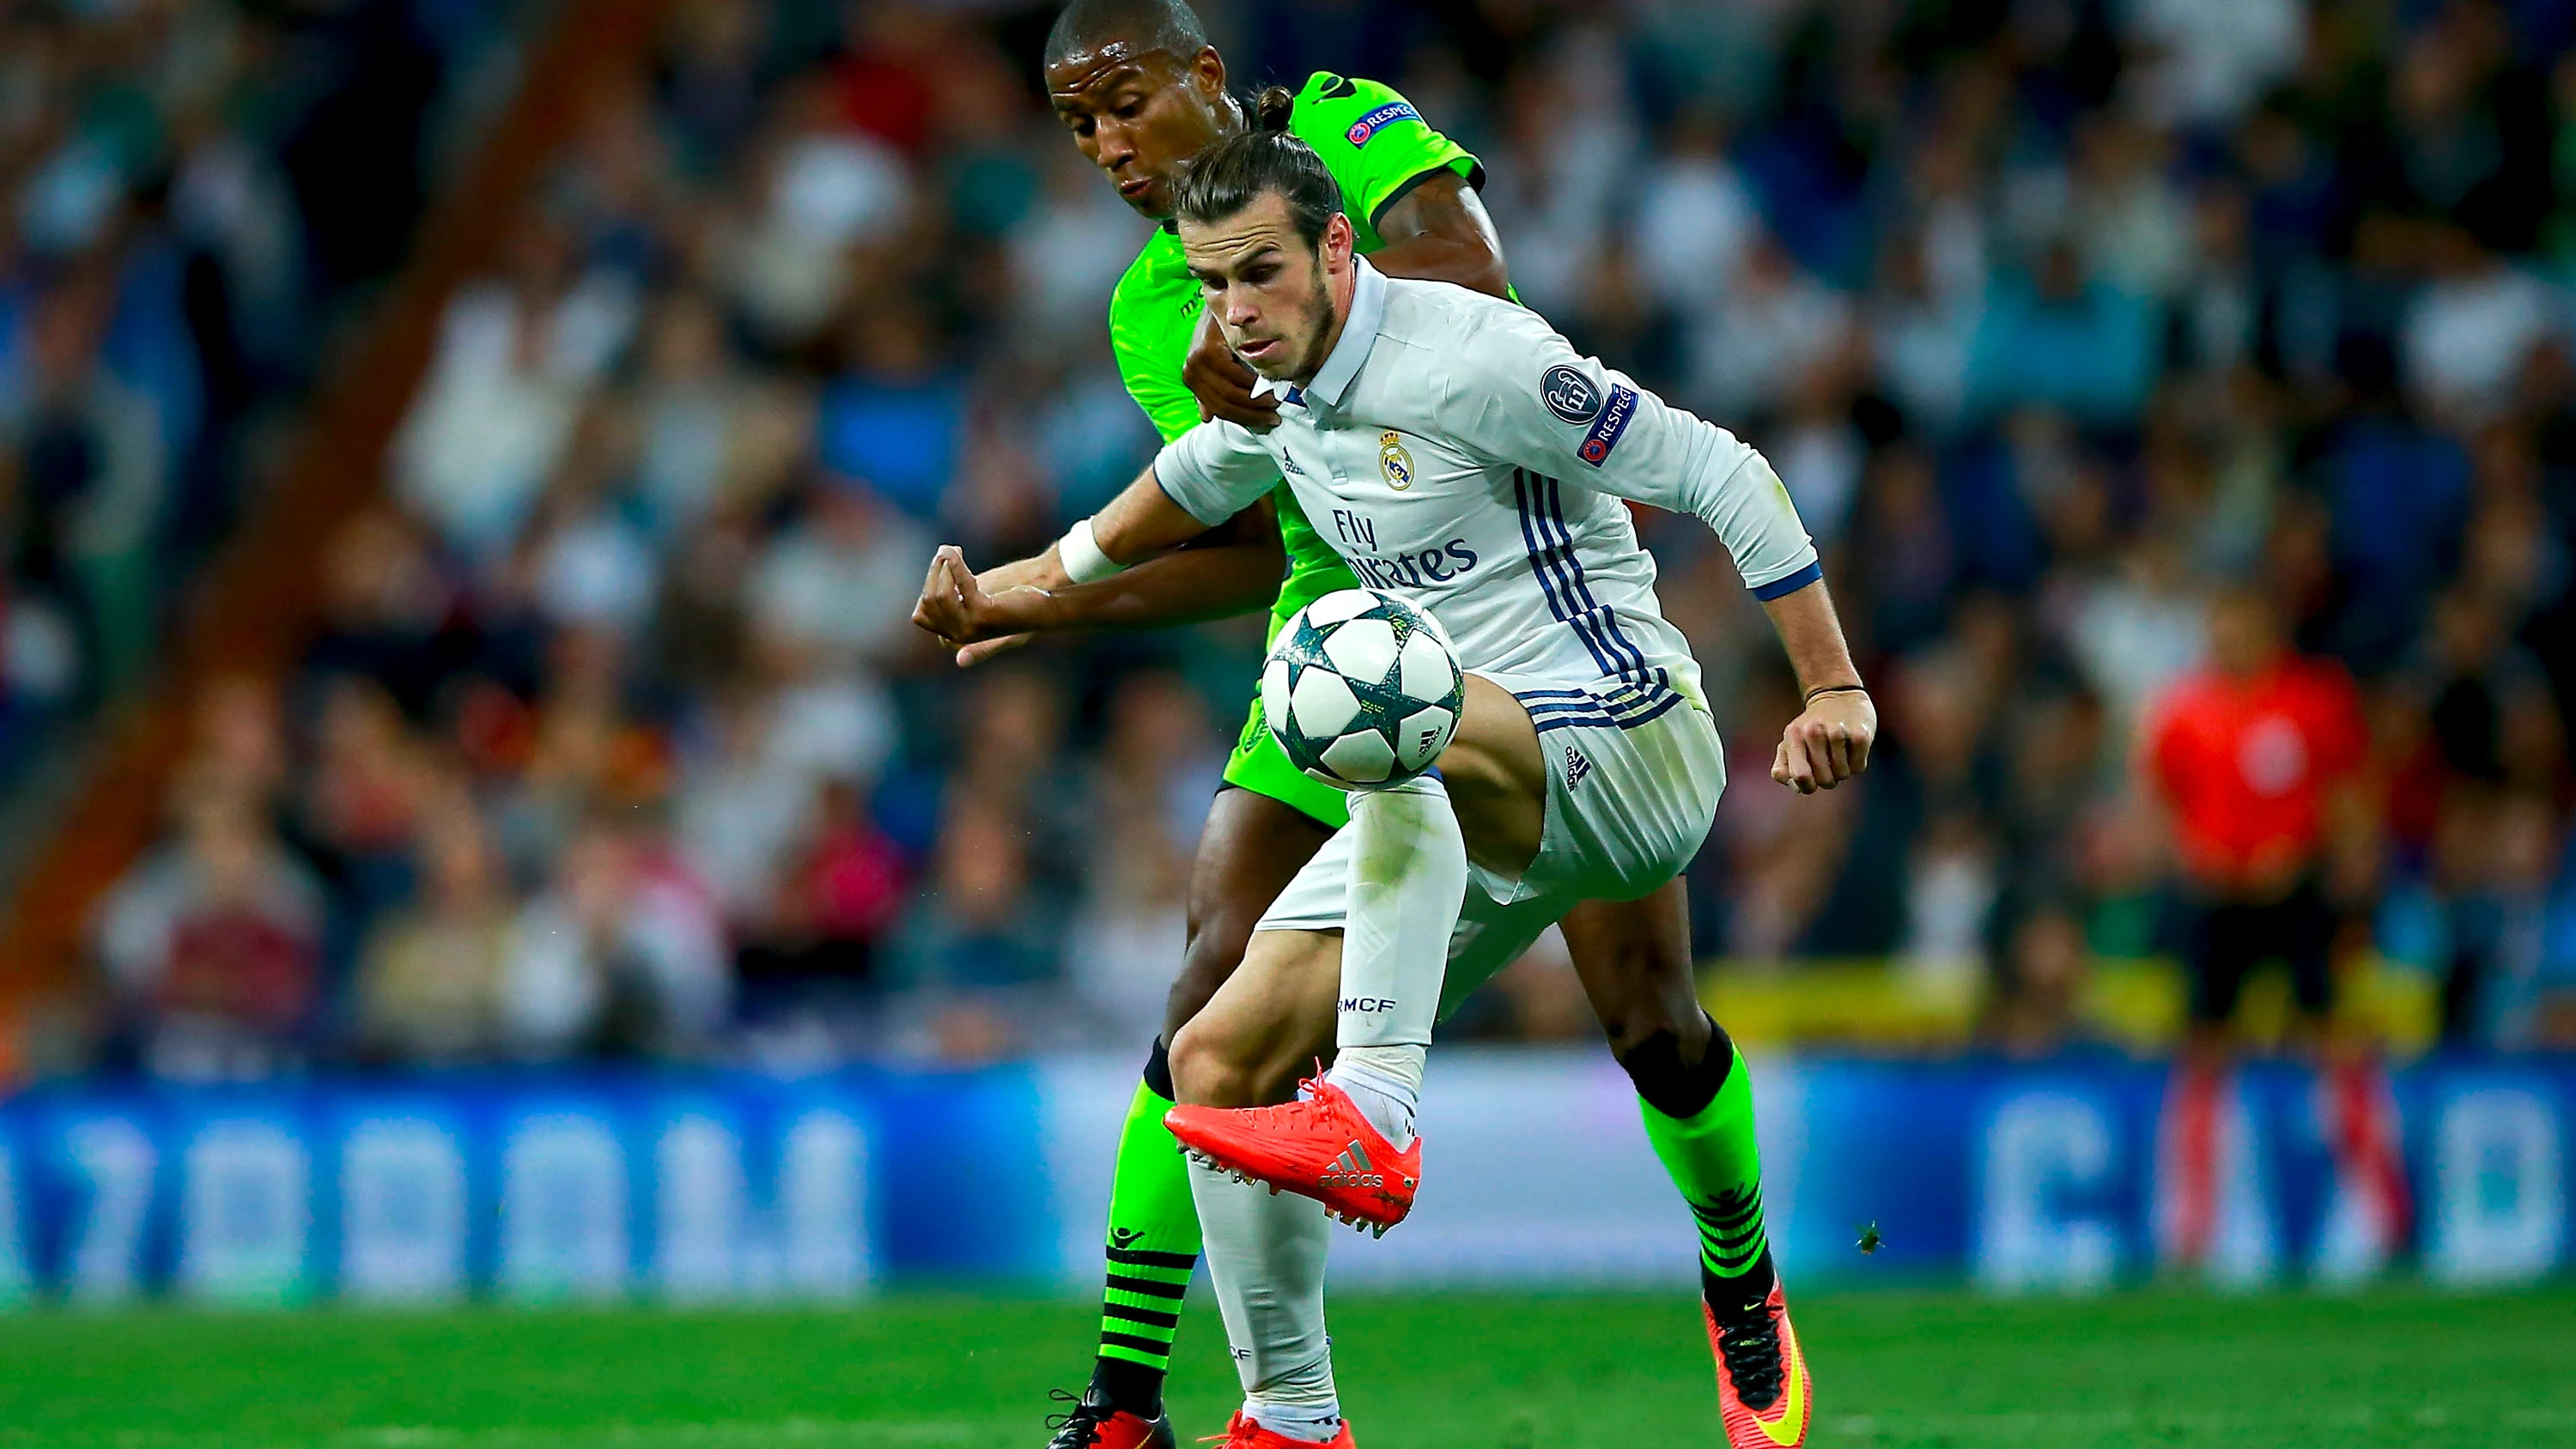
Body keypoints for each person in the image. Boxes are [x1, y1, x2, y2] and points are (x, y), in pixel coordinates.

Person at [919, 129, 1872, 1449]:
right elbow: (1175, 493)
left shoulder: (1473, 356)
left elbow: (1720, 468)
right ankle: (1294, 1418)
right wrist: (1003, 596)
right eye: (1210, 284)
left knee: (1354, 676)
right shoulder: (1279, 384)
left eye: (1259, 275)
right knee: (1218, 1056)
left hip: (1632, 746)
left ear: (1336, 247)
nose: (1234, 315)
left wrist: (1834, 690)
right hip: (1463, 789)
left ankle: (1389, 1113)